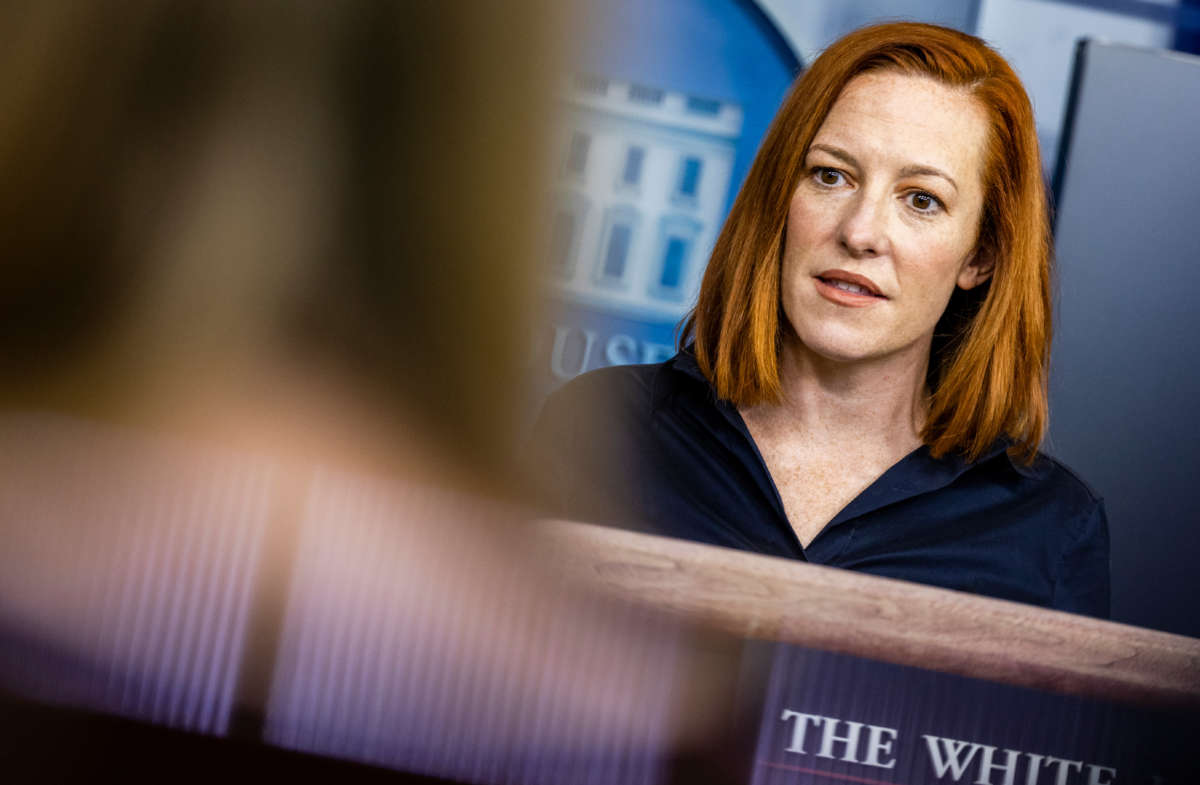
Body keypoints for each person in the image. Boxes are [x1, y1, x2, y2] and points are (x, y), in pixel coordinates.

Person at [527, 22, 1110, 618]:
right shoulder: (599, 430)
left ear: (980, 256)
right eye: (831, 175)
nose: (859, 233)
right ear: (781, 198)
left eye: (921, 200)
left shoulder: (1047, 533)